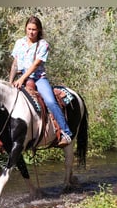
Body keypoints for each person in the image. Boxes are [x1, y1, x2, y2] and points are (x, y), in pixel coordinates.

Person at [9, 15, 72, 147]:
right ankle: (2, 137)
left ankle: (66, 132)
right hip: (20, 77)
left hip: (38, 79)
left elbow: (35, 65)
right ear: (25, 28)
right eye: (29, 29)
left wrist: (22, 79)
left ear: (39, 30)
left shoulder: (43, 45)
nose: (31, 32)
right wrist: (10, 82)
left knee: (50, 101)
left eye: (34, 29)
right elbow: (15, 64)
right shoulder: (19, 43)